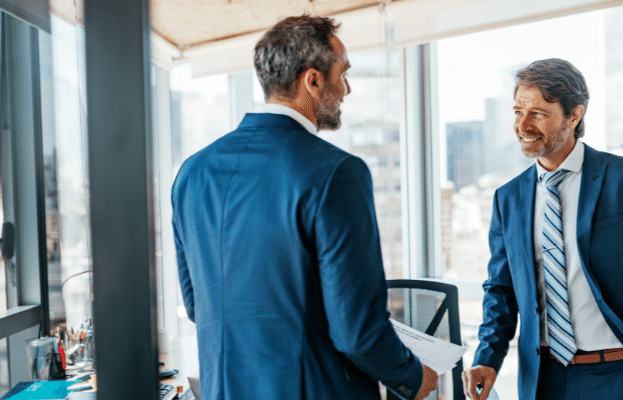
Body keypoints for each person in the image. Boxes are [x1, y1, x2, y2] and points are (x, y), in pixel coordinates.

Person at [172, 15, 437, 400]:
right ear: (312, 81)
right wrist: (411, 376)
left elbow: (199, 305)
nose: (346, 89)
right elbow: (357, 333)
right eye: (342, 74)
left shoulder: (192, 173)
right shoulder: (336, 172)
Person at [462, 59, 623, 400]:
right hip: (543, 380)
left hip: (621, 375)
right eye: (517, 112)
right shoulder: (507, 198)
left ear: (574, 116)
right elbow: (500, 289)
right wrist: (487, 358)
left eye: (537, 113)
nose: (522, 125)